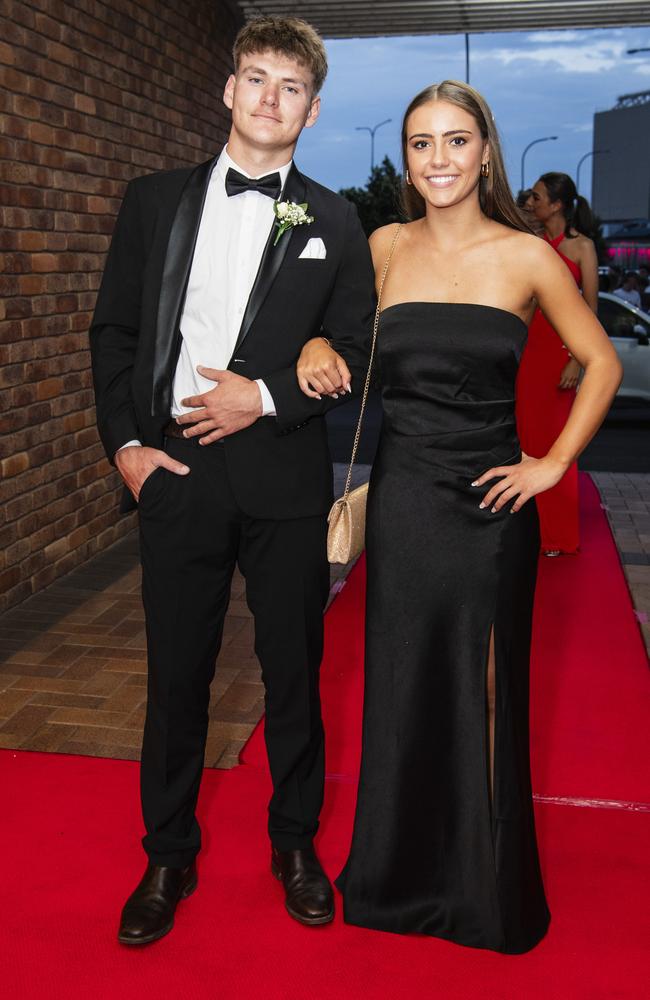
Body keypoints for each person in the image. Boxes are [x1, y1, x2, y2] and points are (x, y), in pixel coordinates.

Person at [296, 81, 621, 953]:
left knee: (483, 685)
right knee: (402, 682)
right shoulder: (385, 244)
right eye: (420, 143)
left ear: (485, 151)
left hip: (489, 506)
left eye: (455, 141)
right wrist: (319, 345)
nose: (438, 159)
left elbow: (600, 364)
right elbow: (352, 343)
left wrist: (552, 465)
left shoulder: (527, 256)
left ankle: (483, 888)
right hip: (404, 498)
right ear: (405, 157)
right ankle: (395, 877)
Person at [89, 15, 375, 945]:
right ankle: (167, 854)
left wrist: (271, 395)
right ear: (229, 88)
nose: (269, 99)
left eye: (290, 88)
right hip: (174, 477)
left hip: (287, 483)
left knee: (296, 675)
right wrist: (127, 451)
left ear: (313, 109)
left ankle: (295, 843)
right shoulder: (153, 201)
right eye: (256, 79)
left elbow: (361, 350)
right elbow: (116, 337)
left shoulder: (334, 219)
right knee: (178, 680)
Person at [517, 173, 599, 555]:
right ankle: (527, 528)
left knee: (557, 442)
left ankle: (558, 533)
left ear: (557, 205)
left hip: (560, 354)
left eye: (537, 197)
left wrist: (575, 360)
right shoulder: (532, 245)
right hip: (529, 353)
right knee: (526, 439)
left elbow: (591, 312)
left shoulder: (582, 247)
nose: (531, 202)